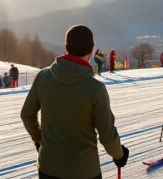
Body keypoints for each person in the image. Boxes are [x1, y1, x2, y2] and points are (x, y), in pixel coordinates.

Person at [21, 25, 128, 178]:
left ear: (66, 47)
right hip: (84, 171)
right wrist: (119, 155)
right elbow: (107, 136)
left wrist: (40, 141)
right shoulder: (96, 89)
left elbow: (27, 114)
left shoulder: (43, 77)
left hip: (47, 168)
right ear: (91, 50)